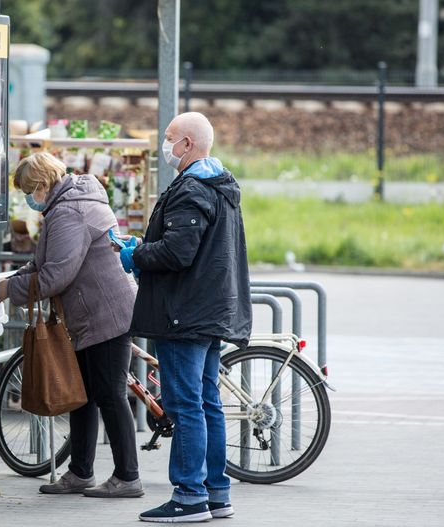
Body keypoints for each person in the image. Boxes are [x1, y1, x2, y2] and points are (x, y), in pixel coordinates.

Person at [116, 112, 252, 522]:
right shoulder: (221, 186)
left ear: (188, 144)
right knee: (207, 402)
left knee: (186, 404)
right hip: (208, 311)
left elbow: (178, 252)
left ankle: (189, 495)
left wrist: (136, 254)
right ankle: (216, 493)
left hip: (182, 314)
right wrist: (145, 246)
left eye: (170, 137)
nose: (166, 145)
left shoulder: (191, 189)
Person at [0, 152, 144, 498]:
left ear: (43, 184)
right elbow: (43, 265)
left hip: (105, 313)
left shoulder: (68, 212)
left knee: (109, 394)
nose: (29, 199)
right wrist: (12, 281)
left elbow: (55, 276)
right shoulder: (71, 202)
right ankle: (80, 472)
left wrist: (7, 290)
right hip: (92, 313)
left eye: (29, 191)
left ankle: (128, 477)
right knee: (83, 395)